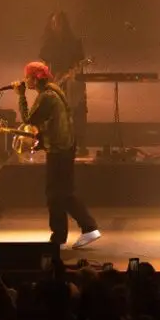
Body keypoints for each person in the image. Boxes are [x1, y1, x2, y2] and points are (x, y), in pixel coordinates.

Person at [17, 60, 102, 249]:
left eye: (27, 77)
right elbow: (53, 121)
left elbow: (29, 119)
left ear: (35, 79)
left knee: (55, 194)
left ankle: (65, 236)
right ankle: (81, 230)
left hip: (59, 149)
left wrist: (21, 95)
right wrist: (42, 139)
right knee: (63, 193)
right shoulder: (53, 91)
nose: (25, 80)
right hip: (65, 146)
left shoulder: (46, 96)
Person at [39, 11, 89, 153]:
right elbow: (44, 63)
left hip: (72, 83)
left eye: (59, 22)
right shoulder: (49, 44)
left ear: (65, 24)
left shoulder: (74, 43)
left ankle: (79, 144)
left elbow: (80, 63)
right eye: (54, 23)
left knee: (77, 111)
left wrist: (72, 72)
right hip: (55, 82)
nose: (56, 25)